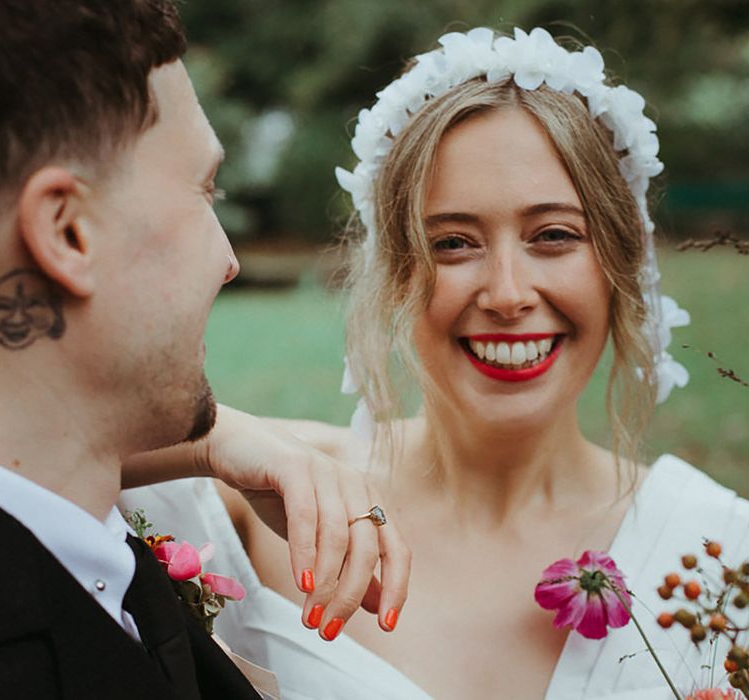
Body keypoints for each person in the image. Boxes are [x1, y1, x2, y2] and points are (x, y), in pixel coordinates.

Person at [123, 26, 749, 700]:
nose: (508, 294)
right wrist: (218, 439)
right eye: (453, 242)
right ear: (393, 274)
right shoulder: (259, 498)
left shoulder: (717, 552)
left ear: (621, 264)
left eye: (554, 236)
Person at [0, 2, 410, 699]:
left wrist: (214, 440)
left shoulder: (88, 560)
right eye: (204, 189)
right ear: (68, 233)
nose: (229, 258)